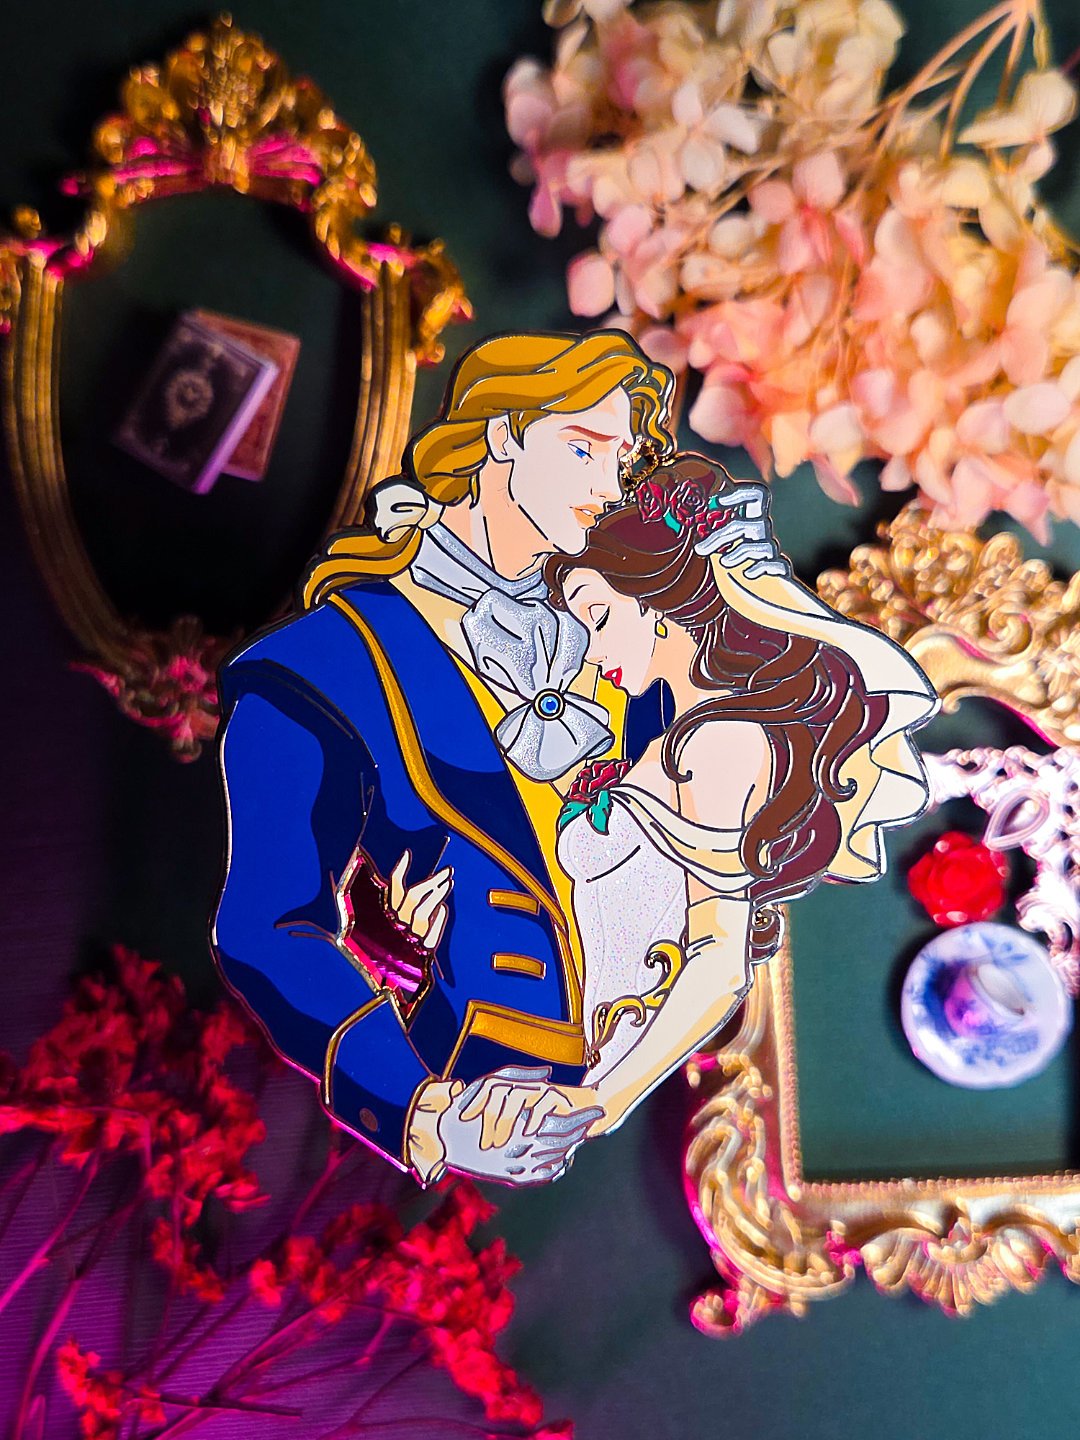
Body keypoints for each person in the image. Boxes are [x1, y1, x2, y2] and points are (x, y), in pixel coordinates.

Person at [211, 331, 787, 1187]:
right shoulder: (315, 667)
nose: (607, 487)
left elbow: (709, 900)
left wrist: (605, 1096)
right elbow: (268, 929)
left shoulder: (636, 634)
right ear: (502, 436)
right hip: (460, 1091)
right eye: (583, 449)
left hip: (623, 1084)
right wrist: (425, 1112)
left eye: (619, 459)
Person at [454, 453, 938, 1148]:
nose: (589, 649)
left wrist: (601, 1099)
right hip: (560, 1035)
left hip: (595, 1059)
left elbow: (717, 958)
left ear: (657, 605)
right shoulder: (676, 737)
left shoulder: (718, 745)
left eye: (598, 615)